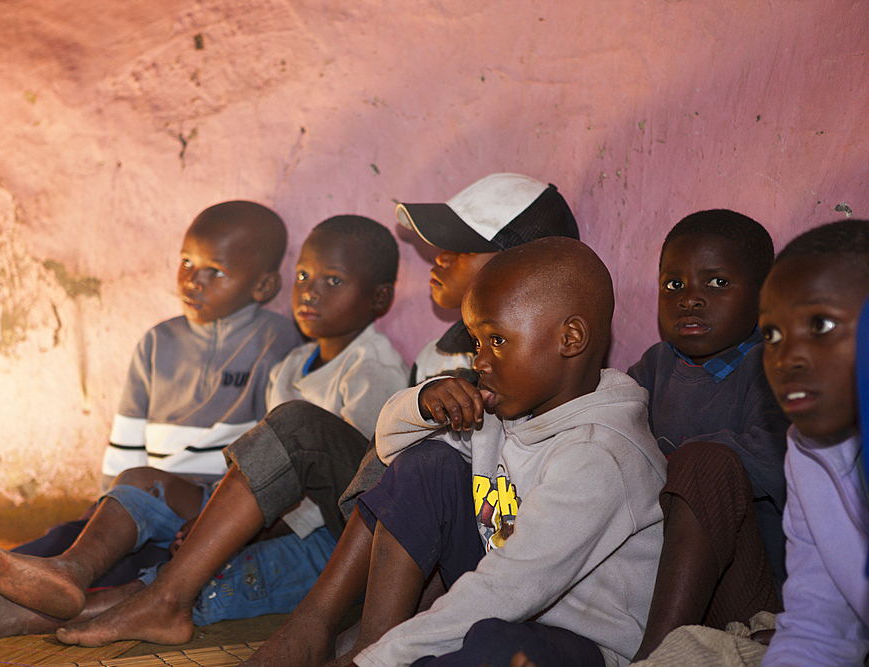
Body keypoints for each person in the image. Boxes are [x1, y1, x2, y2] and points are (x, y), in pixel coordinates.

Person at [0, 214, 410, 640]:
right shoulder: (290, 364)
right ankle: (4, 580)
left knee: (198, 570)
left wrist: (240, 524)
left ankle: (14, 613)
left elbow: (355, 479)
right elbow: (263, 466)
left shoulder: (343, 360)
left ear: (379, 297)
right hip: (216, 505)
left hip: (303, 533)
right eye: (305, 277)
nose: (309, 292)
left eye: (331, 281)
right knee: (101, 514)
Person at [244, 173, 580, 667]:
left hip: (498, 551)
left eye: (460, 249)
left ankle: (346, 636)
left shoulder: (543, 378)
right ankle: (330, 630)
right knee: (407, 452)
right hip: (418, 535)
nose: (439, 259)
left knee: (421, 458)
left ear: (523, 266)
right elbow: (389, 449)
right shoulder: (432, 357)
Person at [345, 237, 667, 667]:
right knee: (424, 467)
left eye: (496, 340)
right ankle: (377, 643)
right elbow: (388, 446)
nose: (479, 362)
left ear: (570, 338)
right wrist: (422, 403)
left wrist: (378, 662)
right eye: (477, 343)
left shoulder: (599, 455)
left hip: (577, 643)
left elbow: (511, 589)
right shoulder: (503, 411)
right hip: (497, 599)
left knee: (495, 648)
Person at [13, 200, 303, 587]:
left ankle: (41, 582)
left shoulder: (275, 341)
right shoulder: (158, 342)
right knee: (72, 537)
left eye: (215, 272)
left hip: (217, 505)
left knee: (131, 515)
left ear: (264, 286)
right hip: (145, 498)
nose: (193, 280)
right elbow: (127, 439)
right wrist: (107, 503)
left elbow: (280, 447)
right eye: (186, 263)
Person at [628, 210, 788, 660]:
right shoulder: (653, 368)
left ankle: (654, 656)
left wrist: (675, 459)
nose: (690, 299)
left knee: (706, 461)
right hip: (660, 579)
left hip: (750, 595)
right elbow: (608, 429)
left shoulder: (774, 369)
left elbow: (776, 461)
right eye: (674, 285)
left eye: (717, 283)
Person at [759, 219, 869, 666]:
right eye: (771, 335)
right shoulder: (808, 454)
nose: (787, 358)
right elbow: (818, 628)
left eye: (820, 324)